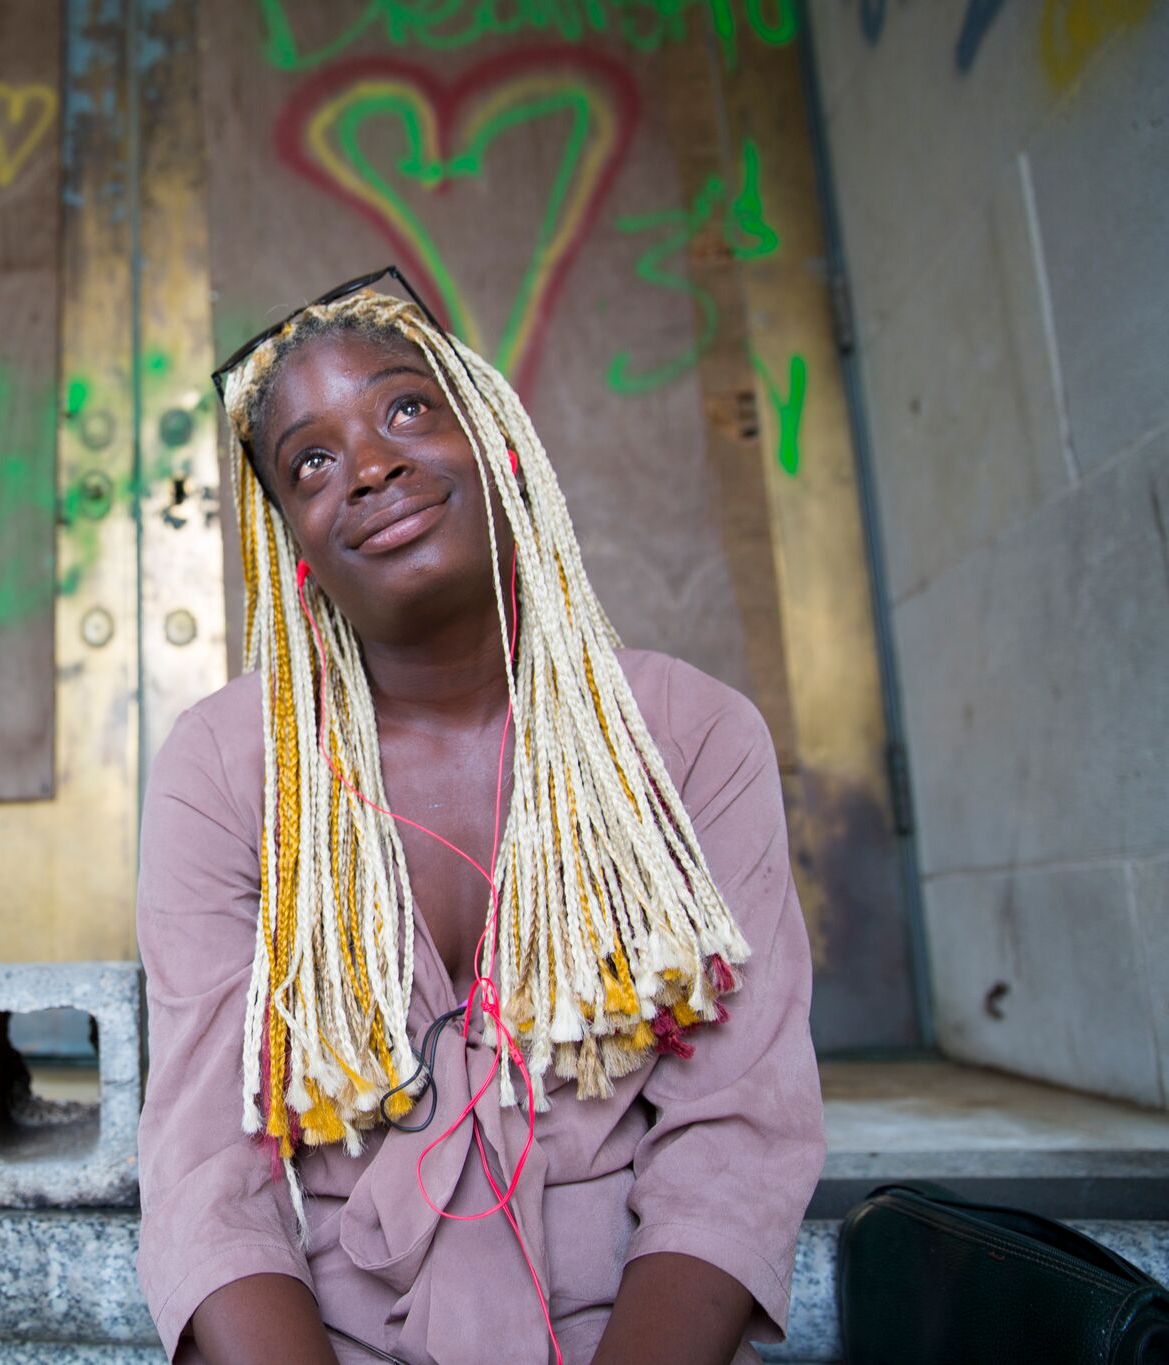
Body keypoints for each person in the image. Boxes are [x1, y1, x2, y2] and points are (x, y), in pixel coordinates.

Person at [134, 270, 825, 1365]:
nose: (370, 465)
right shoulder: (224, 770)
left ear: (499, 441)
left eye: (407, 408)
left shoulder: (688, 736)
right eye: (311, 461)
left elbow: (733, 1140)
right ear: (291, 546)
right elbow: (207, 1172)